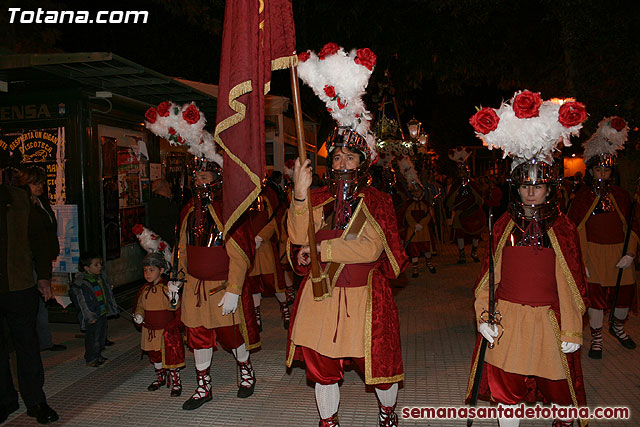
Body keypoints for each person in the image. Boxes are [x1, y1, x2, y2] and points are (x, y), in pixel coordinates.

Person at [466, 91, 589, 427]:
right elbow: (487, 280)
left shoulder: (562, 227)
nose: (531, 191)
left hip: (550, 323)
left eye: (538, 185)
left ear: (550, 189)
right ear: (516, 188)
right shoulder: (504, 224)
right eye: (524, 185)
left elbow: (572, 282)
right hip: (509, 321)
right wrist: (483, 317)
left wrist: (573, 330)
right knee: (507, 396)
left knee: (561, 398)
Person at [174, 161, 260, 410]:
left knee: (230, 336)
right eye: (197, 176)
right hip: (194, 286)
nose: (200, 181)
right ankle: (203, 387)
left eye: (205, 176)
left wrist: (234, 289)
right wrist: (176, 278)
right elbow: (182, 248)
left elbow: (240, 253)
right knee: (198, 336)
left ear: (216, 179)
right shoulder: (189, 210)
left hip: (221, 287)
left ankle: (246, 370)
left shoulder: (229, 211)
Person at [567, 116, 637, 359]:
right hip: (593, 254)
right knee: (596, 300)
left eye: (607, 169)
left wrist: (630, 253)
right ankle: (596, 338)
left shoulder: (621, 195)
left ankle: (618, 327)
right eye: (599, 168)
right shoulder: (583, 197)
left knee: (623, 299)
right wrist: (582, 260)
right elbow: (576, 230)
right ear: (591, 170)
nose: (603, 173)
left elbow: (632, 227)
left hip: (619, 254)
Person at [1, 151, 59, 424]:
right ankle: (5, 399)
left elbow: (39, 241)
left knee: (26, 346)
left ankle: (35, 400)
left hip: (19, 284)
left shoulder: (21, 201)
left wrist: (44, 277)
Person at [16, 166, 66, 353]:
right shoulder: (23, 206)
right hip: (32, 259)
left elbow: (47, 230)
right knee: (37, 300)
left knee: (40, 301)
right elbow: (35, 236)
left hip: (43, 255)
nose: (40, 186)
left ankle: (44, 341)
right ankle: (40, 341)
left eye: (41, 183)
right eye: (35, 183)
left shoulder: (41, 202)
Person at [133, 252, 184, 396]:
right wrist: (139, 315)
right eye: (145, 270)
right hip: (150, 330)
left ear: (161, 270)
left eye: (151, 270)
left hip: (165, 330)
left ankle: (176, 382)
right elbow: (140, 306)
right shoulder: (145, 290)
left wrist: (174, 296)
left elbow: (174, 307)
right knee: (154, 354)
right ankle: (161, 377)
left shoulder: (167, 288)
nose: (148, 274)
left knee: (170, 355)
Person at [247, 182, 291, 331]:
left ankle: (285, 310)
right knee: (254, 284)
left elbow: (274, 221)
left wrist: (260, 237)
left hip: (265, 248)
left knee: (274, 282)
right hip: (249, 249)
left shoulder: (267, 197)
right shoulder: (242, 198)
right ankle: (256, 315)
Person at [68, 253, 118, 367]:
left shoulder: (100, 278)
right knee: (92, 338)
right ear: (86, 268)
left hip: (102, 312)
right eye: (96, 265)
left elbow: (106, 294)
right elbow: (83, 303)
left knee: (101, 336)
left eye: (100, 264)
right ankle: (91, 358)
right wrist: (90, 316)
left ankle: (98, 354)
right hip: (92, 315)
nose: (99, 266)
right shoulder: (82, 283)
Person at [446, 148, 486, 264]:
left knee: (475, 234)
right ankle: (462, 255)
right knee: (459, 234)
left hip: (473, 212)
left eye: (465, 171)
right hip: (460, 213)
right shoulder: (456, 185)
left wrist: (470, 189)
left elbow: (480, 199)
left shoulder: (472, 184)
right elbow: (450, 201)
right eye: (461, 171)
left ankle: (474, 253)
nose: (463, 174)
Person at [403, 183, 437, 277]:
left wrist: (421, 224)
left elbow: (429, 215)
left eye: (418, 191)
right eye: (414, 191)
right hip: (412, 230)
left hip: (424, 230)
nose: (416, 193)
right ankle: (415, 269)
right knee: (414, 250)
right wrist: (414, 225)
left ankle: (429, 264)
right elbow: (407, 215)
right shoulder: (409, 204)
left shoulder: (426, 204)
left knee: (426, 248)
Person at [148, 178, 179, 247]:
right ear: (164, 188)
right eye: (169, 187)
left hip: (156, 242)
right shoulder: (168, 205)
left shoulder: (152, 203)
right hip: (169, 243)